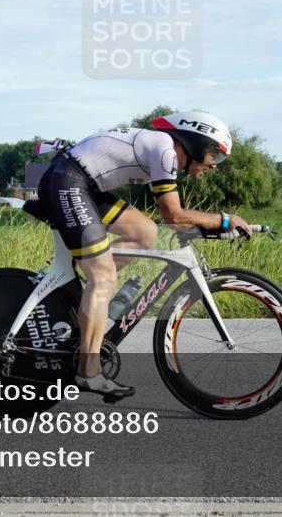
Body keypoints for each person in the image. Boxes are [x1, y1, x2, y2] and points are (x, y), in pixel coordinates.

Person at [35, 110, 251, 399]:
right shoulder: (165, 151)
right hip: (69, 181)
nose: (215, 165)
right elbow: (173, 214)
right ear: (196, 143)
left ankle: (84, 291)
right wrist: (224, 220)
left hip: (83, 184)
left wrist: (208, 223)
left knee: (144, 233)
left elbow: (170, 218)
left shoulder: (163, 148)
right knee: (103, 277)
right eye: (215, 155)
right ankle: (88, 372)